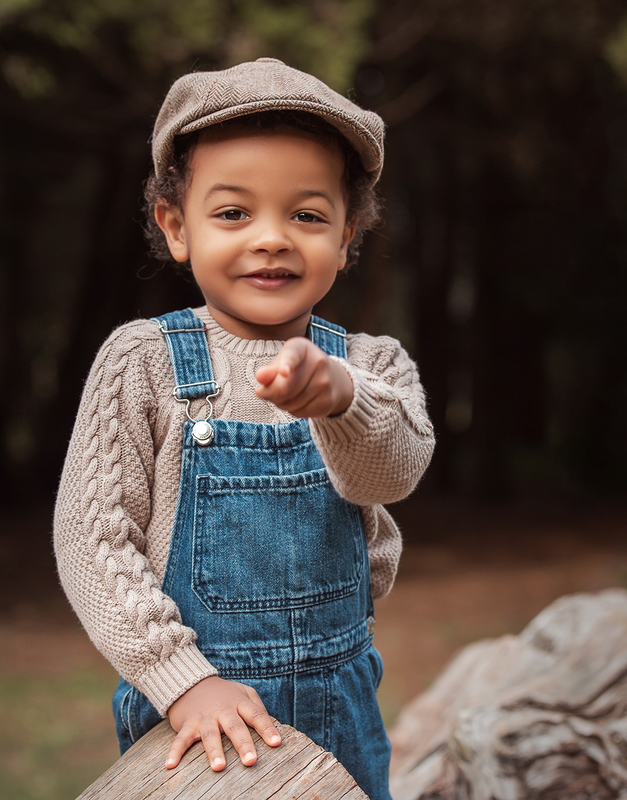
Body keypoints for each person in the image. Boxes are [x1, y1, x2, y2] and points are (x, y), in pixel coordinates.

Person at [53, 57, 434, 800]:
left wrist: (341, 399)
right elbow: (92, 539)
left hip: (341, 702)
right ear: (176, 227)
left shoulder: (371, 363)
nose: (271, 239)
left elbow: (395, 472)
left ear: (348, 234)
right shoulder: (144, 362)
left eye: (307, 215)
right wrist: (182, 680)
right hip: (196, 711)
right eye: (233, 213)